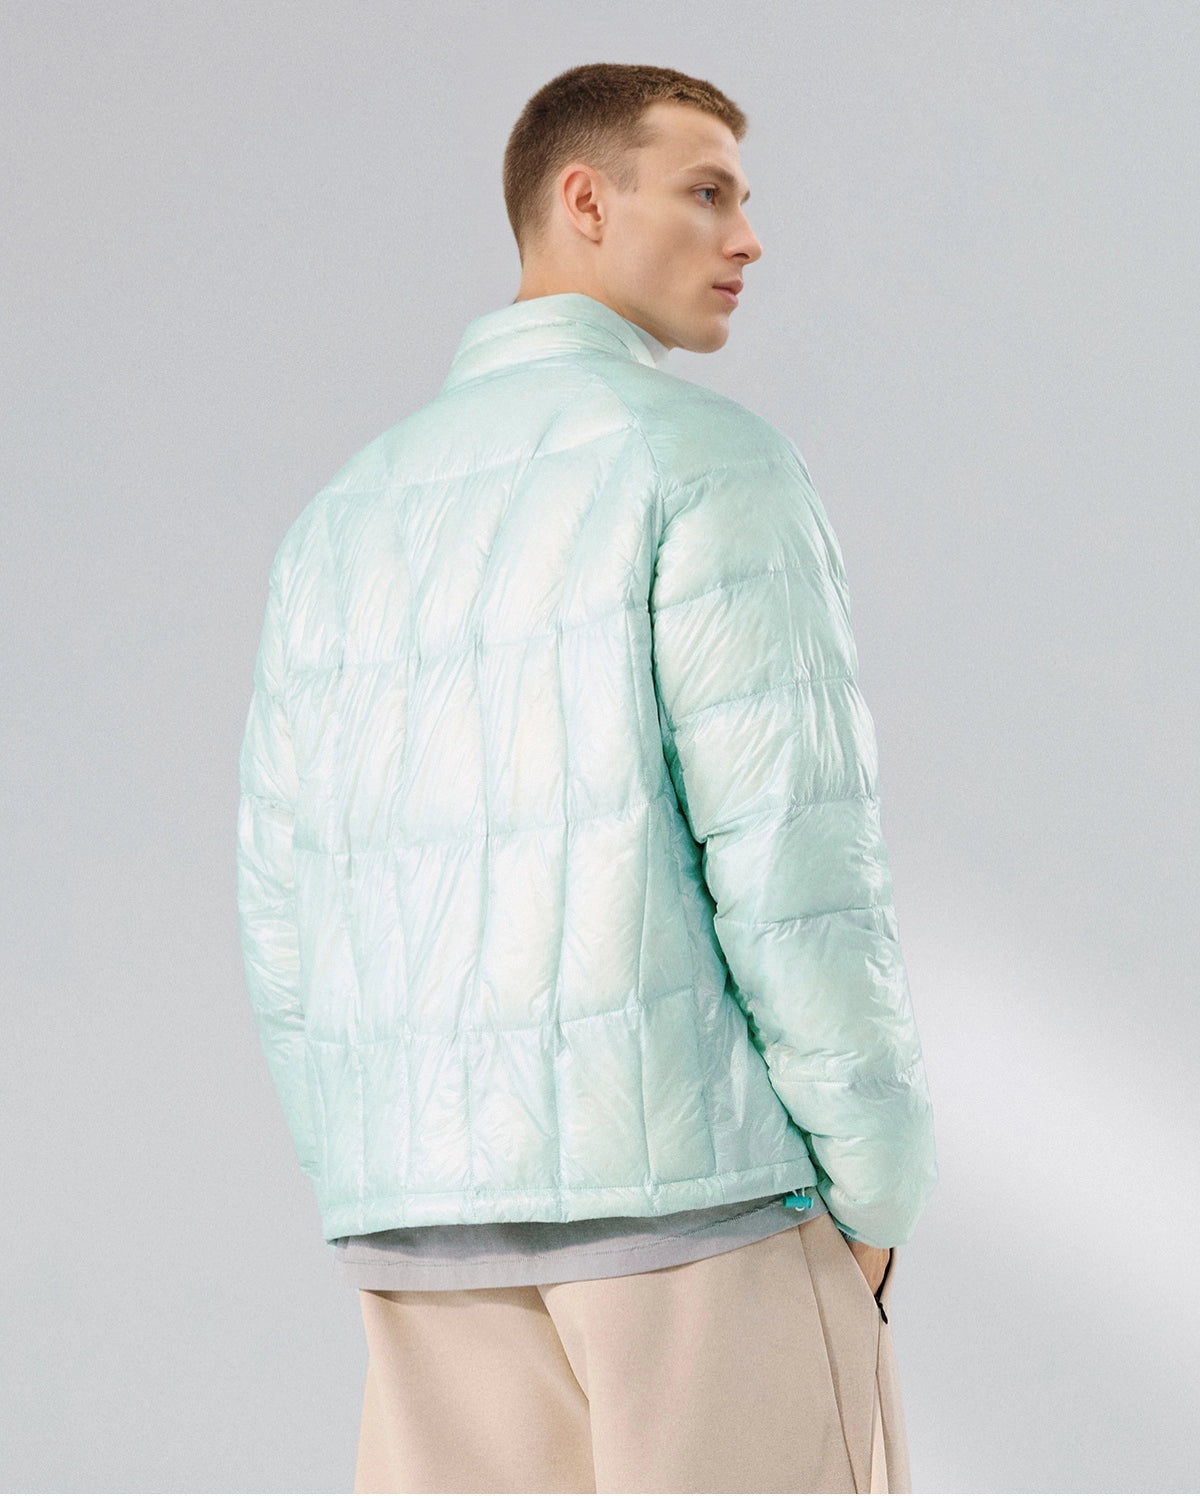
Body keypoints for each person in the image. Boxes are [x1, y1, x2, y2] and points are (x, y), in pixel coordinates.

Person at [236, 61, 937, 1495]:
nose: (749, 238)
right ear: (585, 200)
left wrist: (370, 1163)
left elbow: (280, 908)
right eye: (707, 191)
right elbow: (792, 864)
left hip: (422, 1226)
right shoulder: (707, 464)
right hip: (701, 1213)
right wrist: (877, 1187)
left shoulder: (341, 520)